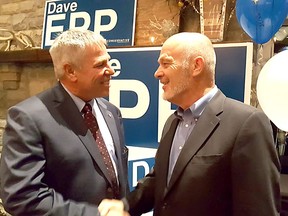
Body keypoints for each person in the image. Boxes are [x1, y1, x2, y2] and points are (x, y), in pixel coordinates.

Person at [100, 32, 281, 216]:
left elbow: (259, 209)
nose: (157, 73)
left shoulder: (247, 123)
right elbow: (161, 180)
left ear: (196, 66)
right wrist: (125, 206)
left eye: (166, 63)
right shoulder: (173, 122)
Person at [0, 29, 130, 216]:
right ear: (71, 71)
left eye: (108, 61)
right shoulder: (28, 118)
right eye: (100, 64)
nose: (111, 70)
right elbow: (22, 196)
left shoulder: (111, 112)